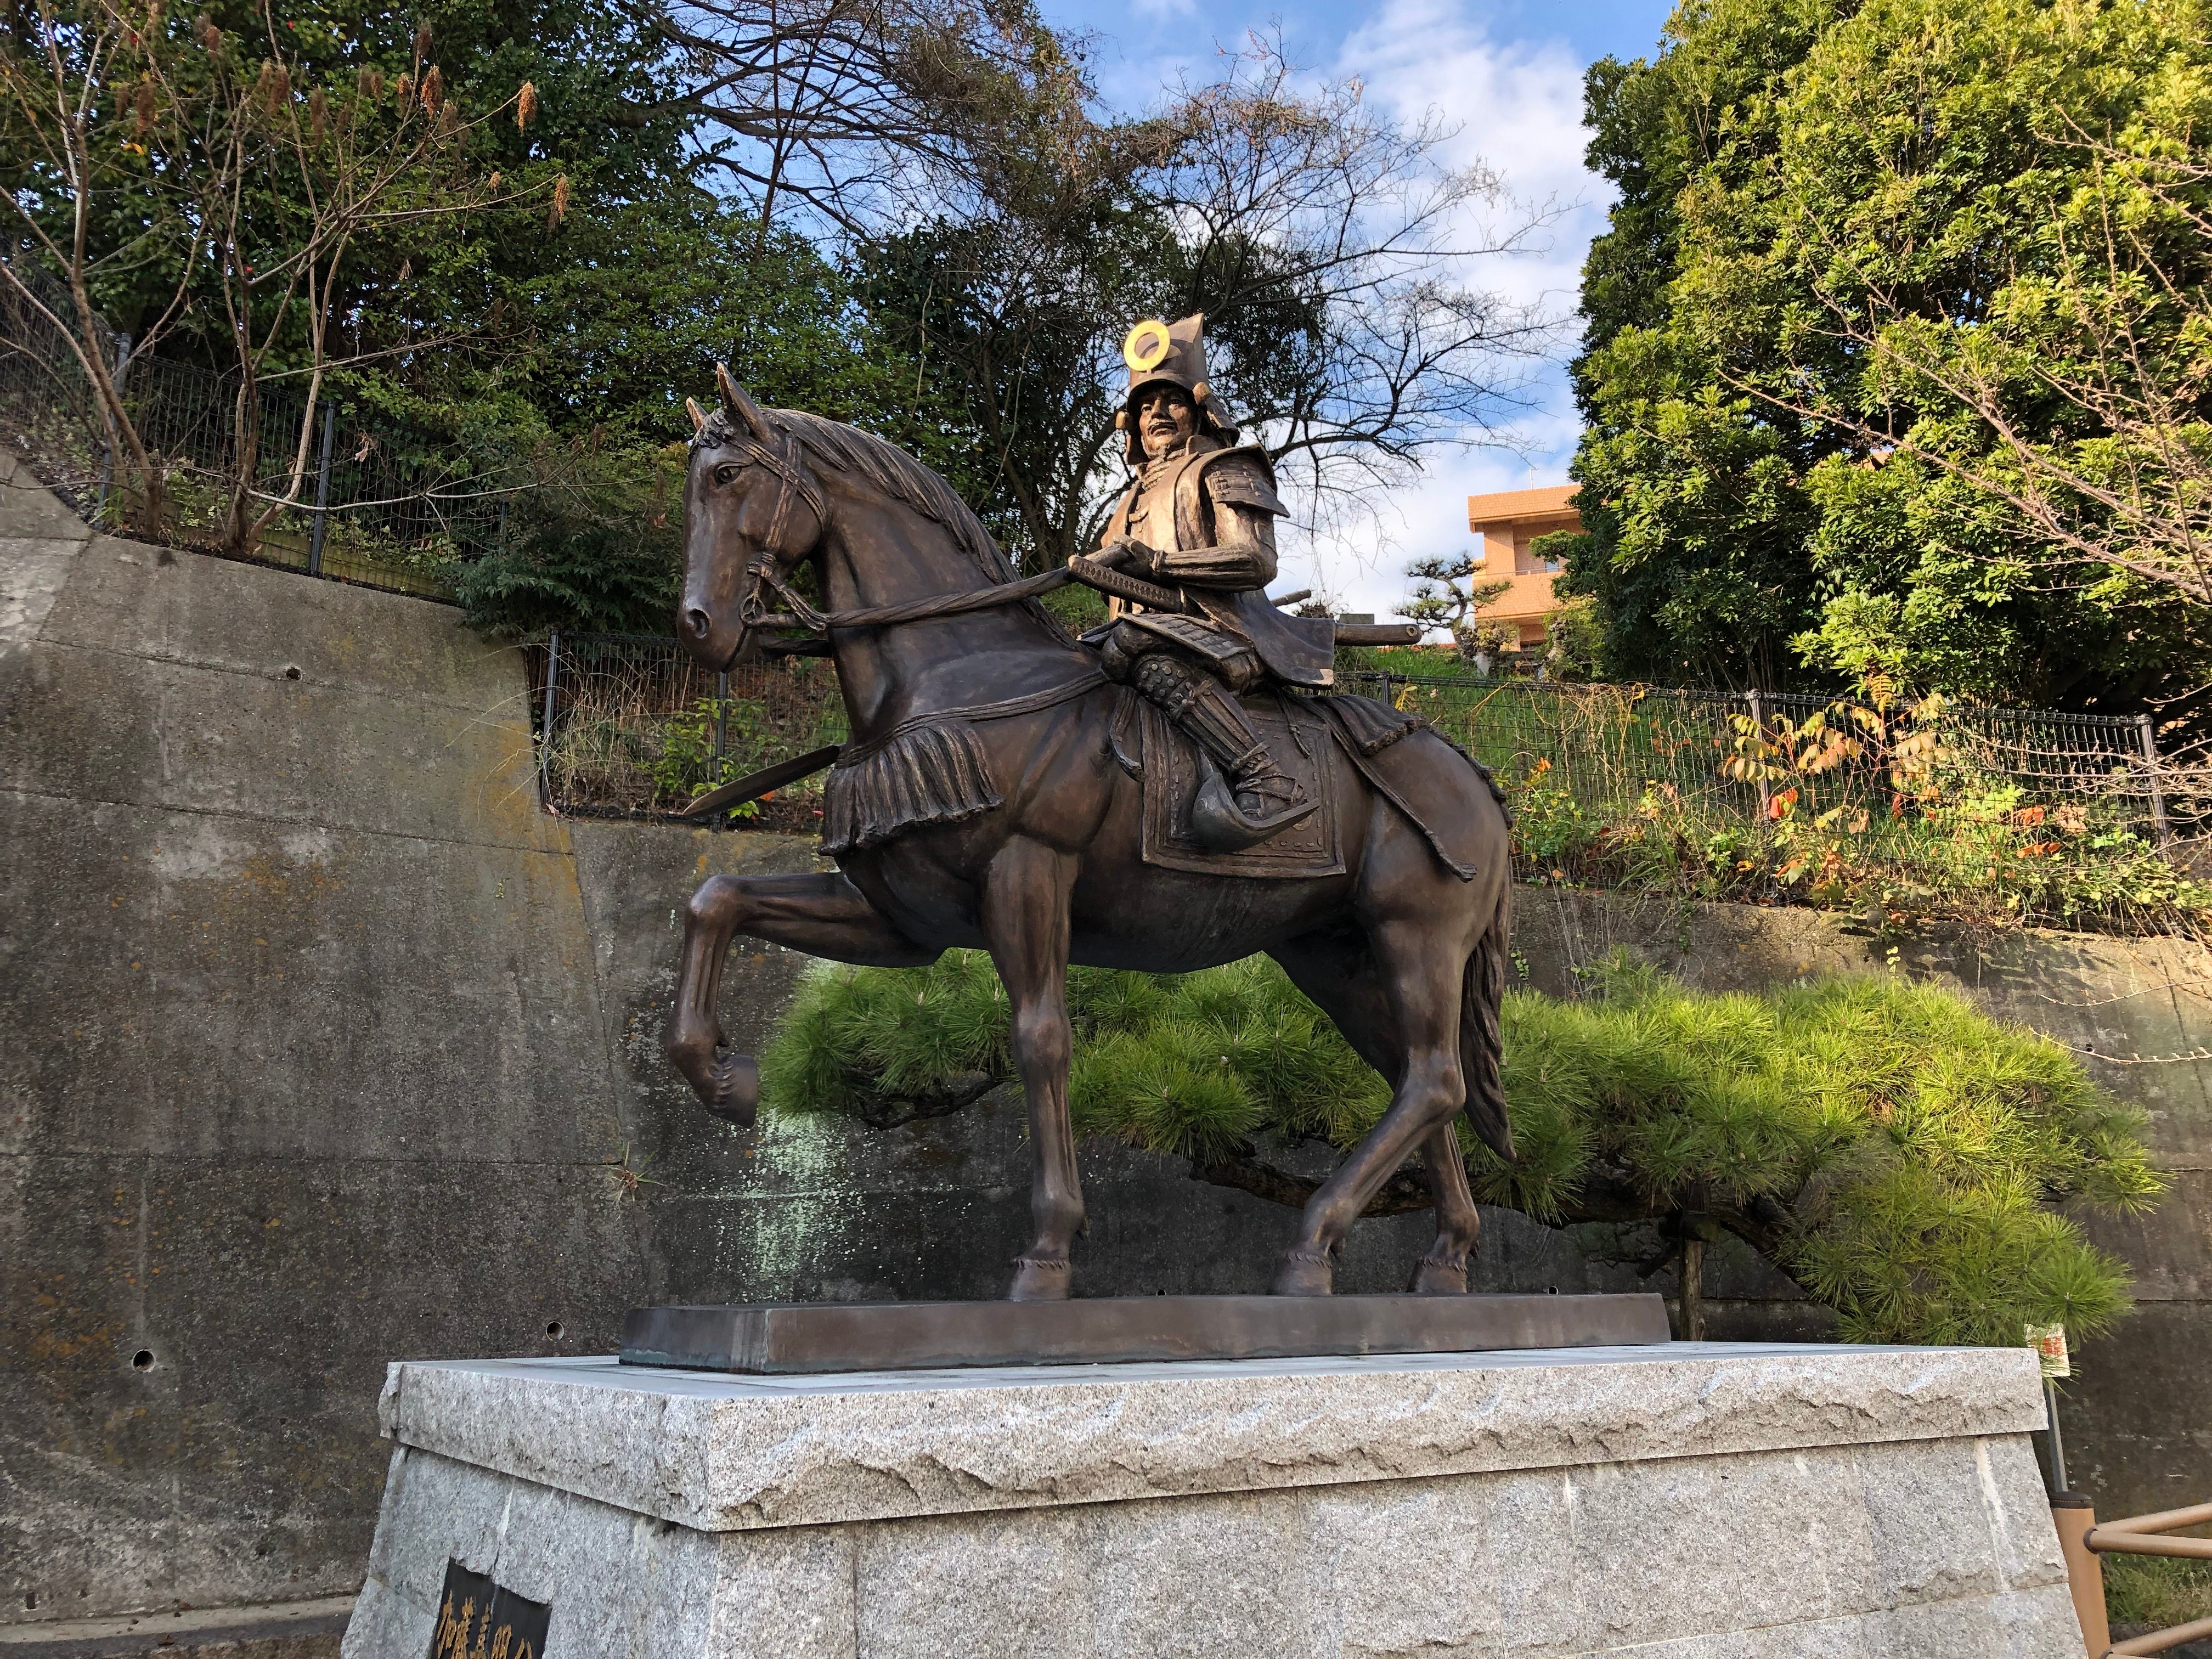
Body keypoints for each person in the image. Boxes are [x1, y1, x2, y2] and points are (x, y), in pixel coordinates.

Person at [1087, 314, 1334, 850]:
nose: (1156, 413)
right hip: (1136, 634)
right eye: (1144, 406)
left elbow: (1254, 559)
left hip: (1224, 632)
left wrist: (1157, 566)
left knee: (1141, 651)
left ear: (1198, 408)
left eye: (1169, 401)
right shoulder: (1128, 501)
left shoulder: (1227, 467)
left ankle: (1265, 777)